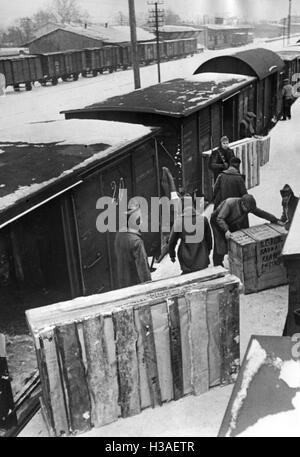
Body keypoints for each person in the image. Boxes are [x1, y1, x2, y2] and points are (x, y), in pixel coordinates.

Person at [210, 194, 279, 267]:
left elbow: (260, 213)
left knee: (234, 239)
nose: (248, 211)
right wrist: (226, 230)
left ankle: (235, 262)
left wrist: (274, 219)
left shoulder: (248, 206)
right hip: (217, 221)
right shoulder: (229, 203)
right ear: (242, 204)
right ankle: (217, 265)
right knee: (220, 244)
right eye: (248, 210)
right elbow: (219, 218)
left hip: (230, 221)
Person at [168, 194, 212, 274]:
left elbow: (172, 241)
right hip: (202, 256)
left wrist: (172, 255)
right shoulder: (203, 219)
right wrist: (207, 252)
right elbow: (209, 240)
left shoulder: (179, 221)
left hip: (186, 258)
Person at [114, 198, 151, 289]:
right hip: (136, 287)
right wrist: (149, 287)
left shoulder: (119, 235)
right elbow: (143, 270)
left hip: (123, 285)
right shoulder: (136, 242)